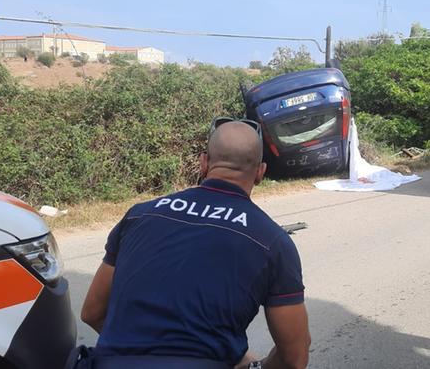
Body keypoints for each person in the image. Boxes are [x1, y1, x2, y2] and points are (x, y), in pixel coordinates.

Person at [79, 118, 310, 369]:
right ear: (260, 173)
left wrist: (135, 350)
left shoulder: (139, 215)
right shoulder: (272, 241)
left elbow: (92, 312)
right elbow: (294, 358)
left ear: (204, 163)